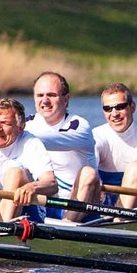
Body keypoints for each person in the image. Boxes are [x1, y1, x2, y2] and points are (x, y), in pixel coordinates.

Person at [25, 71, 103, 219]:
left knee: (89, 173)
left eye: (52, 95)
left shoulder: (79, 125)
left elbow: (49, 140)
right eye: (40, 95)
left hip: (78, 204)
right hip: (41, 202)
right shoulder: (27, 124)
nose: (45, 101)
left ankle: (68, 226)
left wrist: (12, 135)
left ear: (66, 99)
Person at [0, 98, 54, 223]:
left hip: (27, 212)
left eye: (5, 123)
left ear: (20, 127)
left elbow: (51, 183)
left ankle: (1, 232)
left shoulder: (31, 143)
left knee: (15, 172)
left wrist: (31, 187)